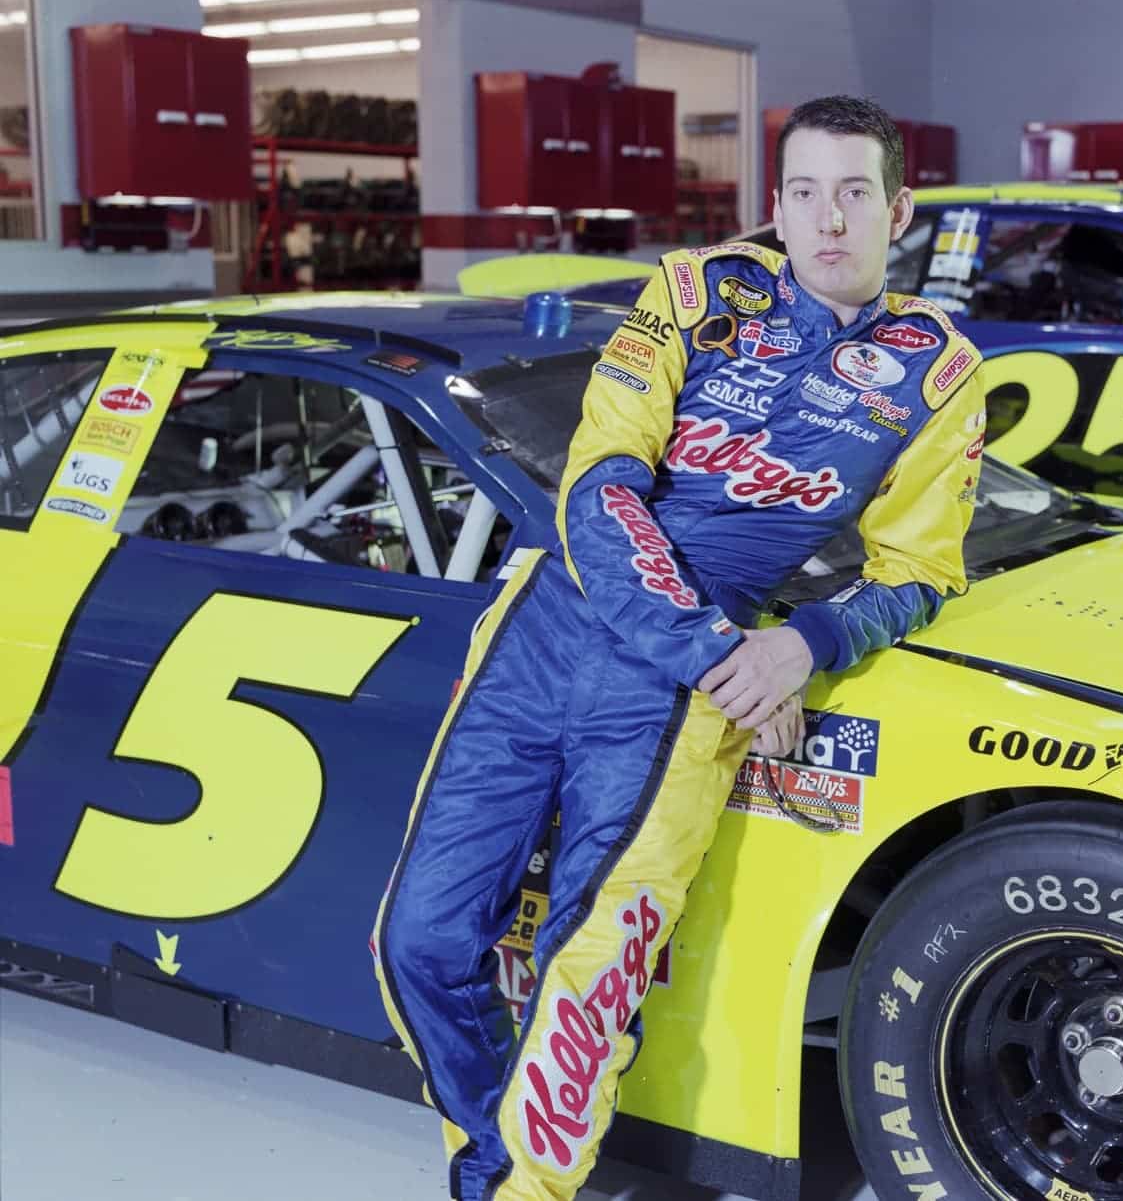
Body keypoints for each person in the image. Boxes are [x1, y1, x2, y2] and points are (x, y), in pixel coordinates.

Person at [373, 94, 987, 1201]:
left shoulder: (937, 372)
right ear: (777, 204)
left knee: (592, 970)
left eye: (856, 193)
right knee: (417, 940)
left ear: (901, 209)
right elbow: (601, 484)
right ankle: (494, 1152)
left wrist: (807, 644)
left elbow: (921, 573)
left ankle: (514, 1191)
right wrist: (717, 648)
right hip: (552, 633)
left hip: (681, 696)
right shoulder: (698, 292)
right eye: (805, 193)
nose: (828, 220)